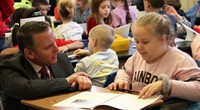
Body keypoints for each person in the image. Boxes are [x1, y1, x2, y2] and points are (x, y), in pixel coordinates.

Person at [108, 13, 200, 107]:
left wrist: (166, 85)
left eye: (145, 42)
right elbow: (125, 71)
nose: (139, 47)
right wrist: (122, 80)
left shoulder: (180, 60)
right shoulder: (138, 56)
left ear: (162, 39)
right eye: (137, 41)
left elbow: (198, 89)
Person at [0, 21, 92, 110]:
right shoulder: (9, 67)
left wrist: (81, 81)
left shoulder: (61, 59)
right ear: (29, 53)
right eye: (48, 47)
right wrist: (67, 81)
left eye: (55, 42)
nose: (57, 49)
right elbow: (28, 88)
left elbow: (72, 86)